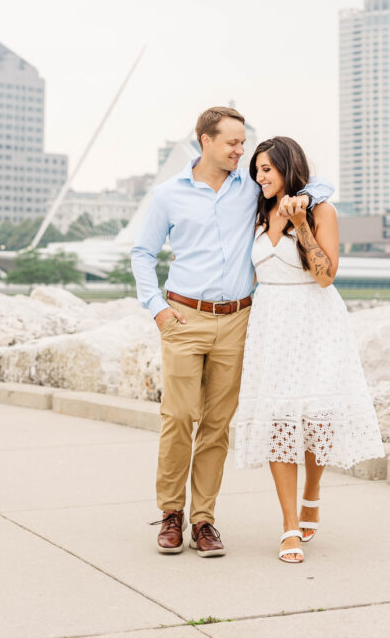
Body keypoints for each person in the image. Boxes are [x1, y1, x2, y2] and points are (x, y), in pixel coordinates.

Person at [131, 107, 333, 558]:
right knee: (178, 418)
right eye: (233, 143)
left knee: (218, 426)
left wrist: (304, 199)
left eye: (244, 143)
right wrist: (157, 309)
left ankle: (204, 520)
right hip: (183, 317)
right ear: (205, 141)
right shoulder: (167, 195)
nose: (241, 150)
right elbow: (142, 252)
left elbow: (312, 188)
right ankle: (170, 514)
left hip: (240, 319)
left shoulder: (252, 189)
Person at [235, 136, 384, 563]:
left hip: (315, 320)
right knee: (280, 421)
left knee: (316, 418)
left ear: (287, 167)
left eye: (267, 169)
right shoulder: (258, 213)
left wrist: (300, 223)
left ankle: (313, 491)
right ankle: (288, 527)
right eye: (257, 170)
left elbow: (325, 276)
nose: (260, 177)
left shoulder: (322, 210)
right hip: (272, 324)